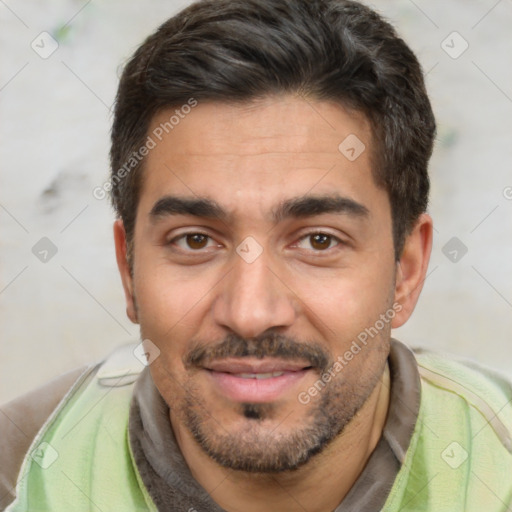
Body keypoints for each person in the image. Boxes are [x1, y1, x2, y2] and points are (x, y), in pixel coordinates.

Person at [1, 0, 511, 510]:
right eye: (195, 241)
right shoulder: (20, 473)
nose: (250, 313)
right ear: (129, 269)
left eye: (318, 241)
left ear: (406, 271)